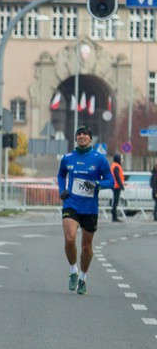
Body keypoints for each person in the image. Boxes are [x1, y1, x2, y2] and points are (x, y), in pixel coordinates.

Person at [57, 126, 114, 295]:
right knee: (70, 239)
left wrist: (98, 184)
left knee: (86, 246)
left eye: (85, 134)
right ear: (75, 138)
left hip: (90, 208)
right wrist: (62, 190)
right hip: (71, 204)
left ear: (90, 139)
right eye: (79, 134)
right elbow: (61, 175)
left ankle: (83, 277)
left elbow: (111, 181)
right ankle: (73, 271)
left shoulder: (99, 159)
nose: (81, 136)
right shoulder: (67, 158)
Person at [110, 153, 125, 222]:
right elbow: (117, 176)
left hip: (115, 185)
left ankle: (114, 216)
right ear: (118, 159)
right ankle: (114, 217)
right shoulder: (116, 166)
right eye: (121, 158)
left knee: (115, 202)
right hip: (116, 186)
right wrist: (121, 185)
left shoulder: (115, 165)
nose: (122, 160)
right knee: (115, 202)